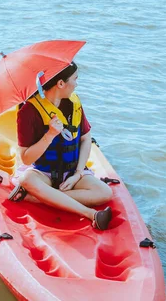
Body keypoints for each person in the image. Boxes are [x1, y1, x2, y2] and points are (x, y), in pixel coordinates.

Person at [9, 62, 114, 230]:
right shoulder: (28, 111)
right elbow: (27, 158)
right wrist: (49, 134)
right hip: (43, 173)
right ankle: (90, 214)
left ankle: (35, 197)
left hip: (72, 171)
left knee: (105, 193)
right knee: (26, 179)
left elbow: (86, 139)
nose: (77, 84)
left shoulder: (74, 103)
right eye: (75, 79)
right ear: (60, 83)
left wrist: (78, 174)